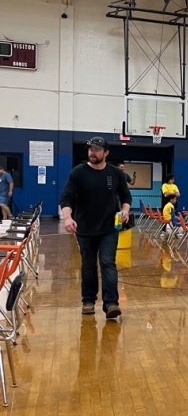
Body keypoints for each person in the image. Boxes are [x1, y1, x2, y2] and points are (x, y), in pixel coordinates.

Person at [60, 136, 132, 319]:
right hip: (84, 229)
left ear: (106, 153)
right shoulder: (78, 173)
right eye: (90, 149)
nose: (93, 152)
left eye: (97, 150)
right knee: (89, 265)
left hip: (109, 228)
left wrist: (125, 210)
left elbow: (126, 196)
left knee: (108, 263)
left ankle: (111, 304)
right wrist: (67, 217)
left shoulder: (116, 174)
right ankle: (88, 301)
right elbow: (67, 197)